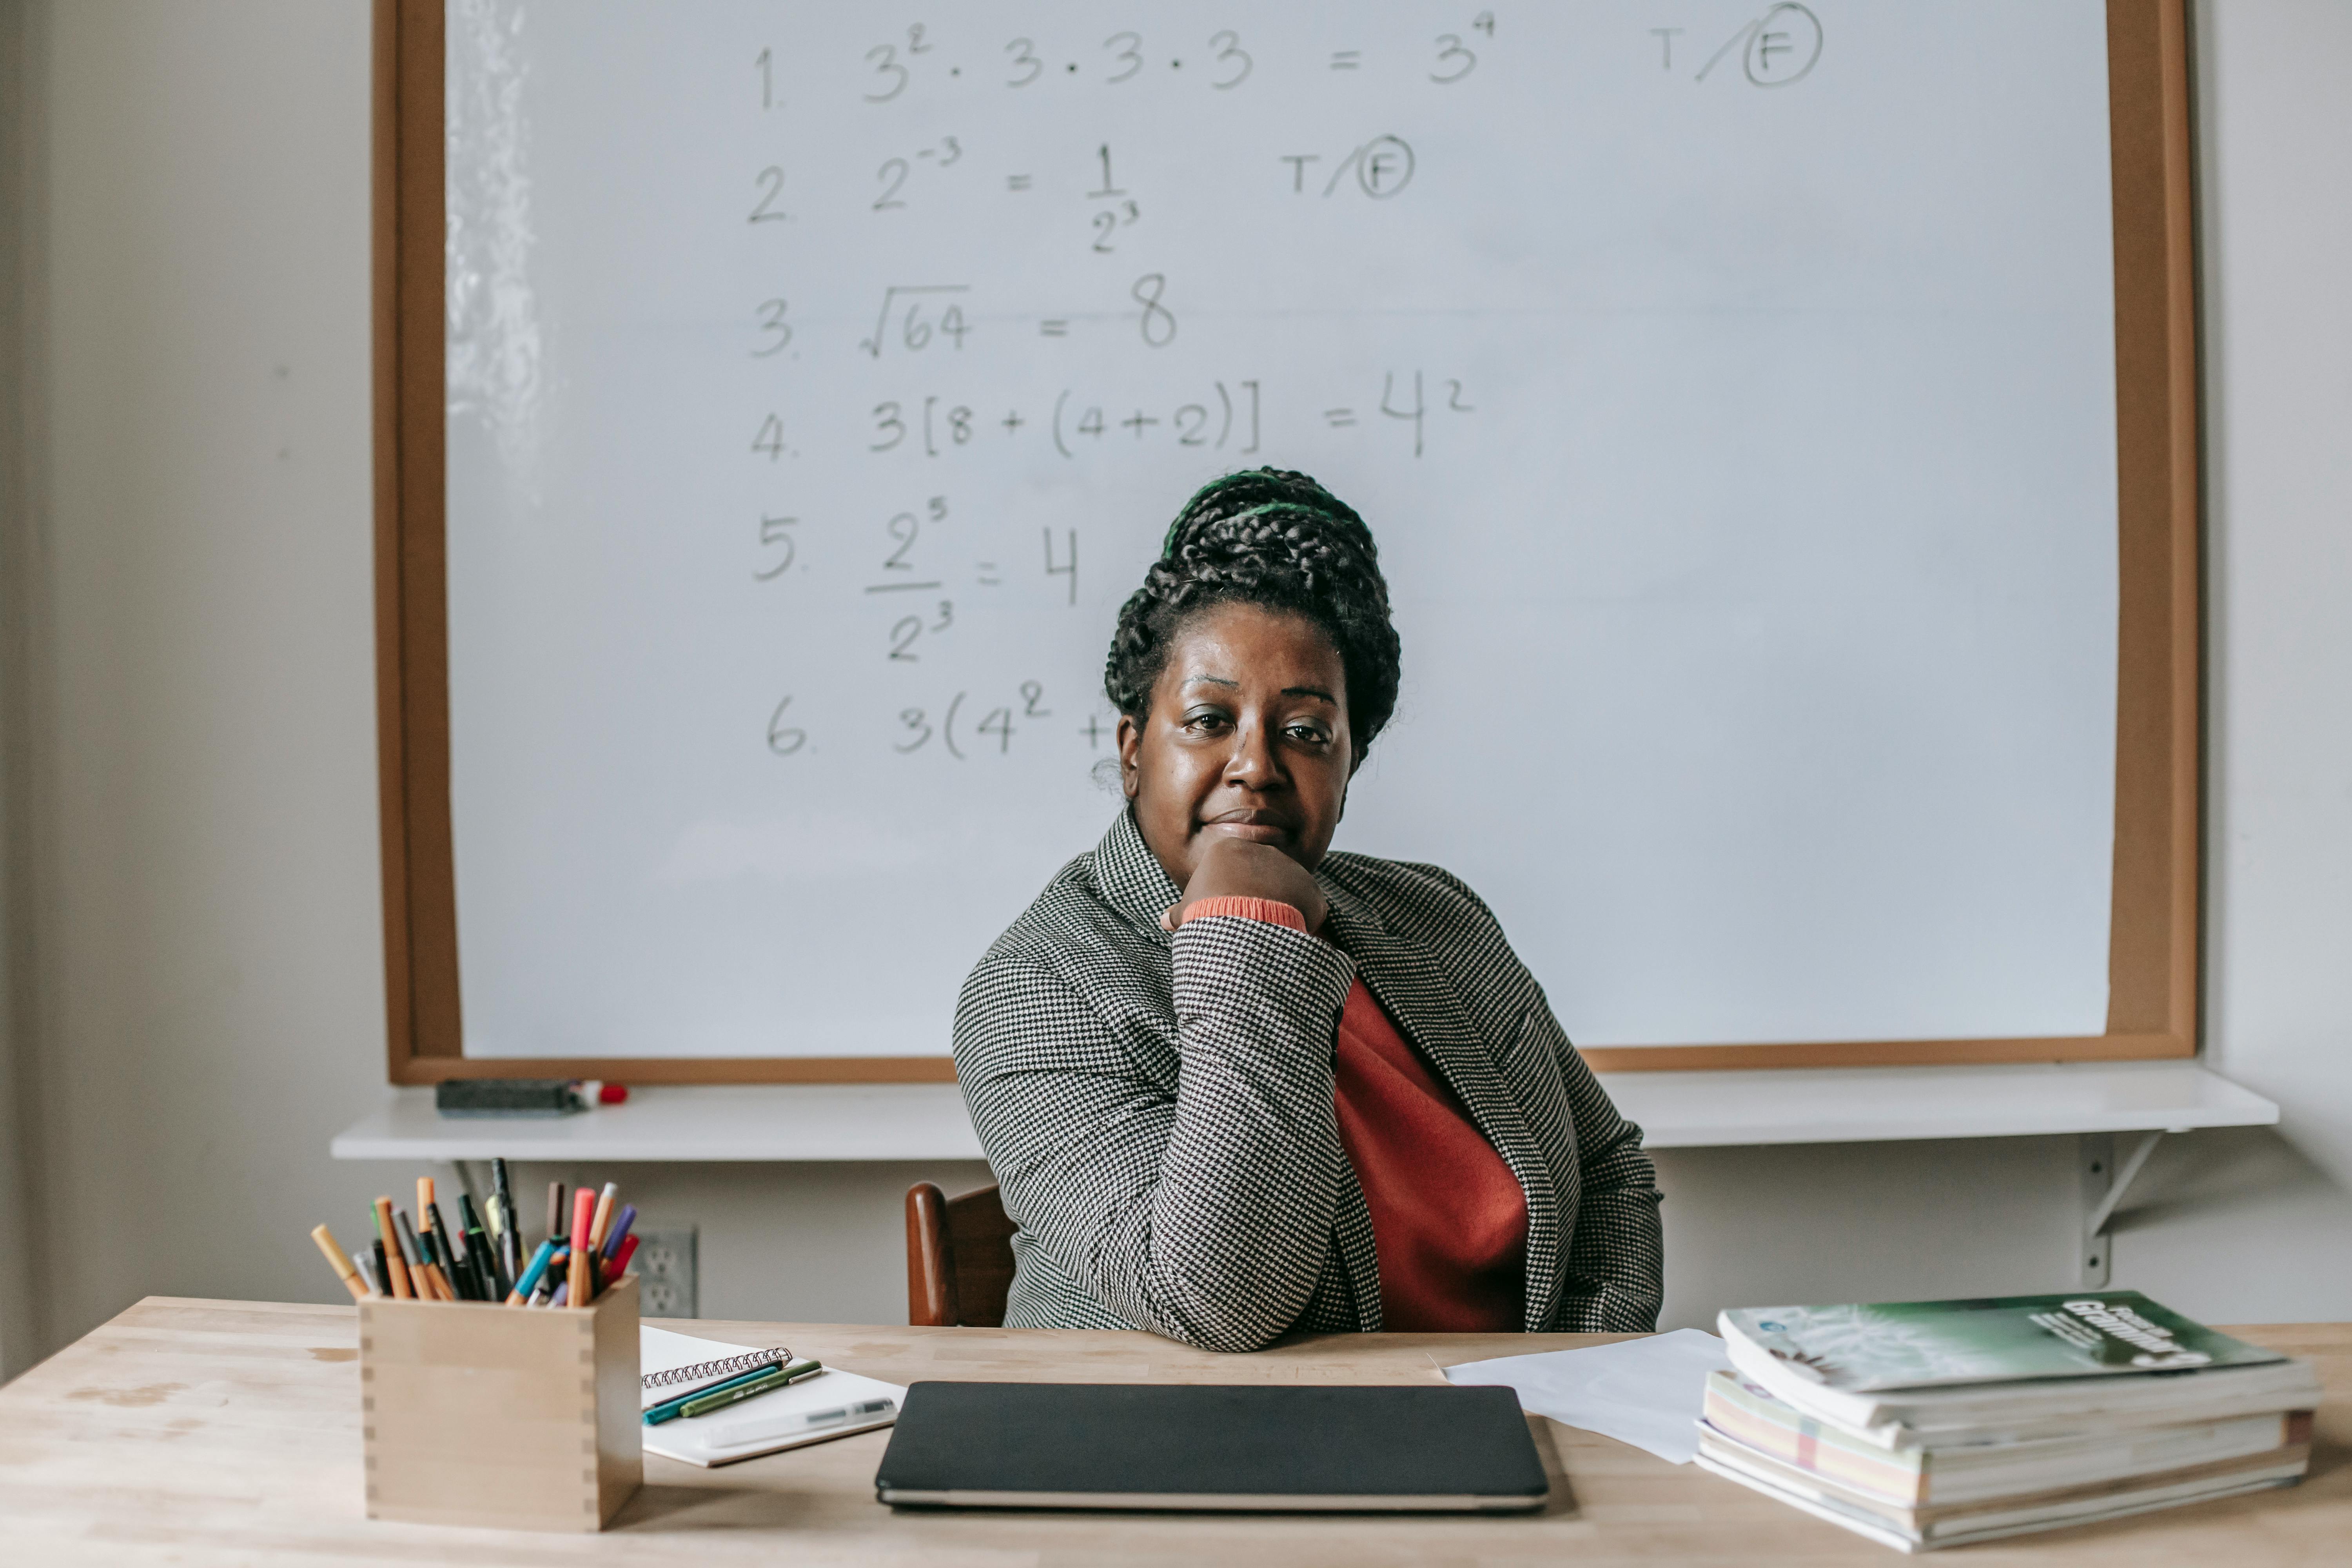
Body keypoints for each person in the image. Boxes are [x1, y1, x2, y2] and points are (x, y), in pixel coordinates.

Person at [953, 468, 1662, 1351]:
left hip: (1498, 1434)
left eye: (1305, 732)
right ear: (1134, 750)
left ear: (1348, 765)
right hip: (1191, 1460)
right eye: (1210, 720)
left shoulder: (1437, 915)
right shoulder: (1035, 989)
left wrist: (1576, 1380)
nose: (1256, 764)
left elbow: (1608, 1175)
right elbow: (1222, 1298)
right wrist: (1245, 926)